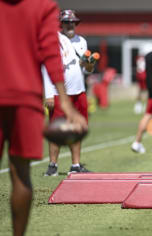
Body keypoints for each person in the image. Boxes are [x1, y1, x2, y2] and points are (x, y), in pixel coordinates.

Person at [0, 0, 88, 235]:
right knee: (21, 173)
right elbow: (50, 54)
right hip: (26, 95)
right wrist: (64, 101)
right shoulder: (42, 6)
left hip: (23, 93)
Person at [43, 9, 95, 176]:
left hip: (79, 90)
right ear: (61, 24)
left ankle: (76, 165)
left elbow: (85, 70)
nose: (70, 24)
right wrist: (49, 93)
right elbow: (46, 67)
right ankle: (53, 166)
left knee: (79, 128)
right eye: (66, 22)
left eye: (72, 21)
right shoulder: (54, 40)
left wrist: (89, 67)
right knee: (57, 129)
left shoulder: (82, 41)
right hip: (60, 93)